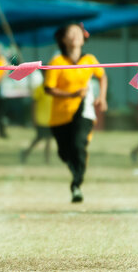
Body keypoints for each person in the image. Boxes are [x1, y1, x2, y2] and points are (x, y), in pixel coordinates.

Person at [44, 23, 108, 203]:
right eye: (70, 33)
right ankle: (76, 172)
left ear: (83, 37)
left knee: (79, 146)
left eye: (77, 32)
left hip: (83, 111)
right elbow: (48, 89)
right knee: (65, 154)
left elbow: (102, 76)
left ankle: (76, 185)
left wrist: (102, 97)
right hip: (60, 116)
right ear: (63, 39)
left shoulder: (90, 59)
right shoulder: (56, 62)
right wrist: (71, 94)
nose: (74, 36)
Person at [21, 79, 53, 164]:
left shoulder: (53, 88)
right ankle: (26, 153)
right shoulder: (39, 89)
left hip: (50, 118)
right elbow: (34, 104)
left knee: (47, 139)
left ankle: (46, 159)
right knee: (39, 138)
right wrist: (34, 118)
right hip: (41, 118)